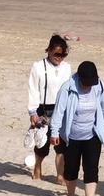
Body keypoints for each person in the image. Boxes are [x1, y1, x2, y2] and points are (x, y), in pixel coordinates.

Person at [50, 60, 104, 196]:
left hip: (92, 135)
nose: (89, 85)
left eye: (91, 82)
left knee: (91, 168)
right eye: (86, 82)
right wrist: (55, 132)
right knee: (70, 169)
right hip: (71, 137)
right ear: (79, 78)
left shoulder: (99, 86)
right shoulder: (67, 88)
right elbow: (58, 111)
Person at [26, 35, 71, 181]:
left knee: (62, 144)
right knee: (42, 142)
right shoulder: (38, 66)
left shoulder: (66, 67)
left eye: (63, 55)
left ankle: (60, 175)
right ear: (49, 51)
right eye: (57, 54)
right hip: (43, 109)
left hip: (61, 109)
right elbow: (33, 89)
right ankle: (37, 168)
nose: (60, 58)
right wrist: (32, 111)